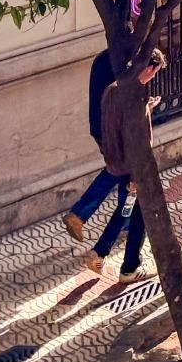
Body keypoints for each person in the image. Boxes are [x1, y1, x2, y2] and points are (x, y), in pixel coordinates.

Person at [90, 48, 167, 283]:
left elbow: (114, 126)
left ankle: (101, 252)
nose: (154, 77)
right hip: (134, 167)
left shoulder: (115, 90)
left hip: (119, 160)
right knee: (139, 213)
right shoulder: (133, 97)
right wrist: (137, 175)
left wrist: (147, 107)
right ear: (149, 68)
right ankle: (129, 268)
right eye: (155, 72)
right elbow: (135, 138)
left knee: (127, 210)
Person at [61, 47, 120, 242]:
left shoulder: (101, 59)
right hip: (110, 129)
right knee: (118, 169)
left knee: (124, 174)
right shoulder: (119, 63)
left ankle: (125, 221)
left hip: (99, 126)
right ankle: (79, 214)